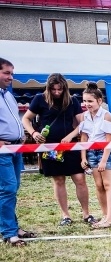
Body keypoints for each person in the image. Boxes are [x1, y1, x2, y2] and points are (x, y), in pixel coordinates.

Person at [21, 73, 97, 226]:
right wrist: (34, 133)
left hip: (70, 146)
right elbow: (26, 119)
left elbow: (82, 123)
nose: (56, 92)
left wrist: (71, 135)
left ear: (65, 88)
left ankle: (86, 214)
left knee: (80, 179)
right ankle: (65, 215)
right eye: (53, 89)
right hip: (49, 146)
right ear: (48, 88)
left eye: (60, 89)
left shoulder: (72, 101)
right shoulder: (39, 99)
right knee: (59, 180)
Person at [0, 57, 35, 247]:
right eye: (6, 73)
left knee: (12, 189)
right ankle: (9, 233)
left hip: (15, 148)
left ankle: (12, 226)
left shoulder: (8, 95)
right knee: (8, 189)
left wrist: (21, 134)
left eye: (12, 73)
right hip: (2, 151)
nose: (10, 77)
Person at [76, 83, 111, 229]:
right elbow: (83, 138)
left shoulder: (107, 116)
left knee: (108, 184)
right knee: (99, 185)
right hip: (91, 152)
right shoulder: (84, 117)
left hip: (105, 152)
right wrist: (83, 157)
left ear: (99, 101)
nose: (87, 104)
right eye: (85, 101)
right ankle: (105, 216)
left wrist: (103, 160)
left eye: (90, 101)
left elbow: (109, 141)